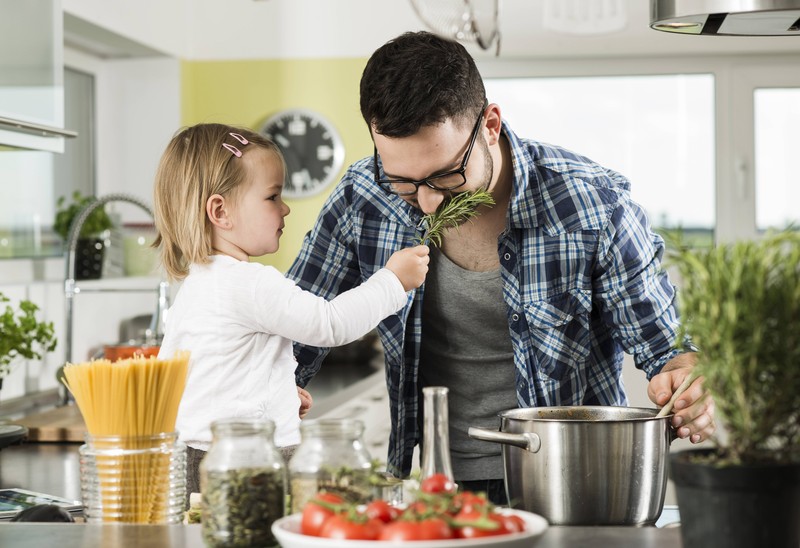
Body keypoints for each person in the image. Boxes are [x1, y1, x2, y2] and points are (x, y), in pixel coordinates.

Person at [286, 32, 716, 504]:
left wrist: (685, 383)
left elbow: (666, 350)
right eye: (403, 182)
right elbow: (295, 327)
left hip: (578, 477)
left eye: (446, 175)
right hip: (441, 479)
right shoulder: (361, 198)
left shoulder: (593, 203)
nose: (427, 202)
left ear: (490, 124)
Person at [152, 123, 430, 501]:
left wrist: (275, 393)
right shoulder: (251, 282)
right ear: (221, 211)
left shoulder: (197, 285)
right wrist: (394, 281)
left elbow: (206, 378)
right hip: (251, 460)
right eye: (272, 196)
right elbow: (329, 324)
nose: (284, 208)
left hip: (195, 458)